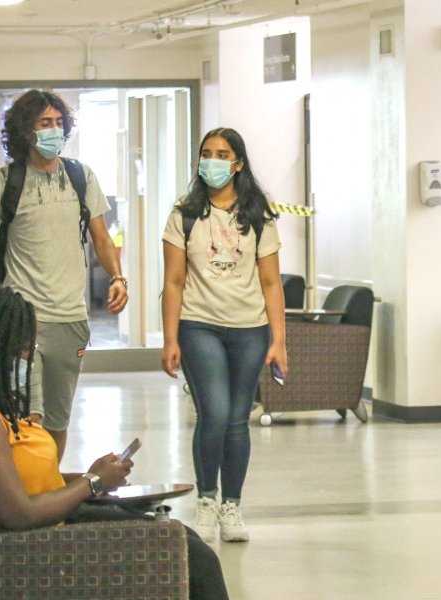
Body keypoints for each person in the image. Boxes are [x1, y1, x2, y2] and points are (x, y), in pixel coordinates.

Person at [0, 284, 229, 599]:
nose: (30, 354)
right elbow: (19, 513)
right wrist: (91, 483)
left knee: (184, 539)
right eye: (24, 347)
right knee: (193, 556)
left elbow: (23, 482)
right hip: (35, 551)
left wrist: (92, 477)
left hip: (51, 529)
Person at [0, 89, 128, 461]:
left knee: (57, 422)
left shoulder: (81, 177)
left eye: (59, 123)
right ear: (26, 132)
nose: (54, 130)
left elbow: (100, 236)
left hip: (70, 320)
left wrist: (117, 278)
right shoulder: (5, 181)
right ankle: (17, 495)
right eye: (45, 123)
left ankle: (44, 486)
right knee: (25, 416)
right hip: (20, 320)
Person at [161, 127, 287, 543]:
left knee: (237, 420)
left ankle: (232, 505)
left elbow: (271, 283)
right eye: (206, 153)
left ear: (238, 163)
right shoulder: (184, 212)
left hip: (250, 329)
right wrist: (170, 339)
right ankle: (207, 500)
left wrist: (279, 341)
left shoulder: (258, 214)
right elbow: (174, 281)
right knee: (213, 413)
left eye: (221, 153)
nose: (212, 161)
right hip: (199, 325)